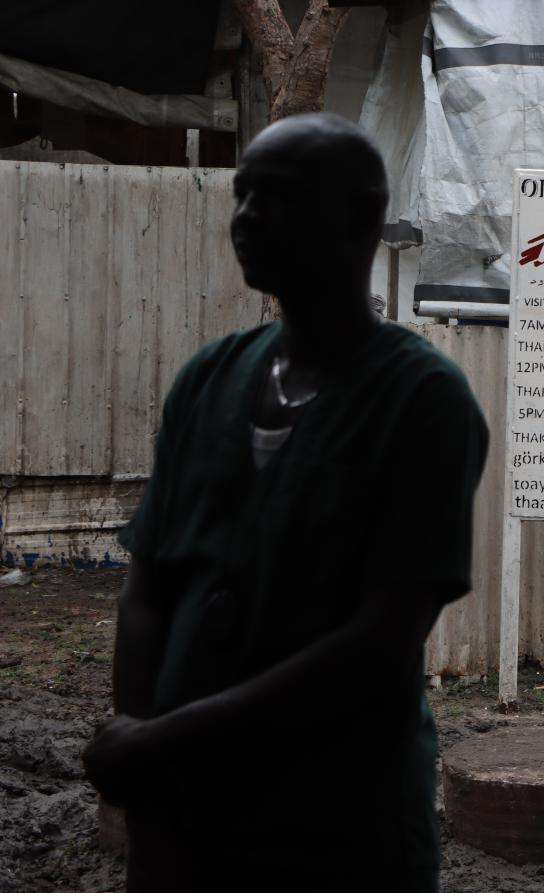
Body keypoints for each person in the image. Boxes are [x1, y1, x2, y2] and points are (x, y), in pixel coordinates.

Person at [82, 113, 488, 892]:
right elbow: (149, 590)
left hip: (339, 826)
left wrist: (162, 740)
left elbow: (377, 645)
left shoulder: (421, 401)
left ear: (362, 220)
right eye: (242, 196)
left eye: (276, 198)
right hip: (187, 815)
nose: (245, 220)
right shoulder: (209, 379)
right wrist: (146, 772)